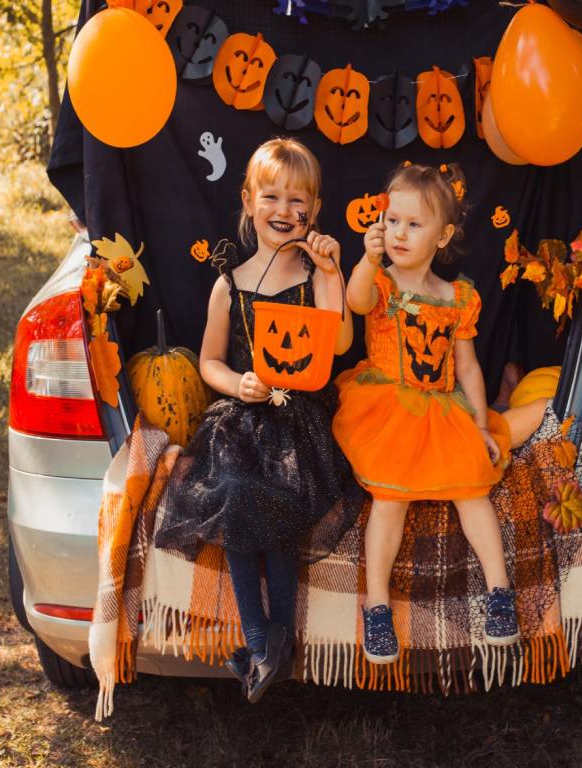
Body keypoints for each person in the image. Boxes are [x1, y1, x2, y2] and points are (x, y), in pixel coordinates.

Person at [155, 138, 362, 701]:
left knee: (282, 508)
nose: (283, 209)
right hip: (242, 422)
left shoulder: (317, 273)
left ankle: (265, 647)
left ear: (313, 211)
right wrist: (236, 383)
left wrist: (332, 274)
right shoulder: (229, 285)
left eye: (298, 200)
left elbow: (340, 340)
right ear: (248, 201)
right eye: (270, 195)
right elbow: (208, 362)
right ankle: (264, 638)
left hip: (299, 420)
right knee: (240, 496)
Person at [332, 162, 519, 665]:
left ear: (444, 235)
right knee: (390, 499)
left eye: (415, 225)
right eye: (393, 221)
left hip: (441, 408)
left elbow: (469, 369)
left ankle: (499, 593)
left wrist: (480, 425)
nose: (399, 233)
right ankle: (377, 605)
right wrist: (367, 262)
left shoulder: (457, 298)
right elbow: (355, 298)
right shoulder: (384, 285)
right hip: (387, 403)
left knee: (471, 488)